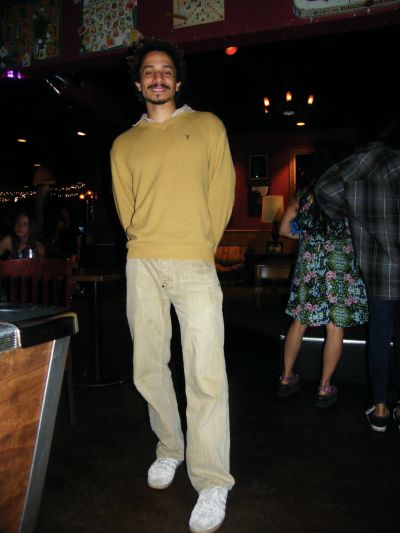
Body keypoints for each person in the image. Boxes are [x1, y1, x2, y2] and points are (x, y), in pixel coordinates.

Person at [110, 38, 235, 533]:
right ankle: (170, 447)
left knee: (205, 373)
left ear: (177, 80)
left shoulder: (207, 126)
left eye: (165, 70)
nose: (157, 77)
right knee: (148, 366)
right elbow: (126, 209)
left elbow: (222, 194)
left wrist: (200, 245)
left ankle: (212, 479)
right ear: (138, 83)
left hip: (194, 262)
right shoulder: (123, 144)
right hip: (142, 263)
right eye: (148, 71)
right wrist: (147, 243)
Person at [315, 118, 400, 432]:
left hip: (379, 269)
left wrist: (347, 210)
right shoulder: (396, 160)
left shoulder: (355, 164)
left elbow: (323, 190)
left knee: (379, 336)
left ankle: (380, 410)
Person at [278, 142, 368, 407]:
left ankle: (286, 377)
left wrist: (309, 236)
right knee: (335, 327)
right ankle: (324, 388)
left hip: (310, 264)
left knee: (299, 322)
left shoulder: (305, 194)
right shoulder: (349, 192)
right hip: (340, 266)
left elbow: (283, 230)